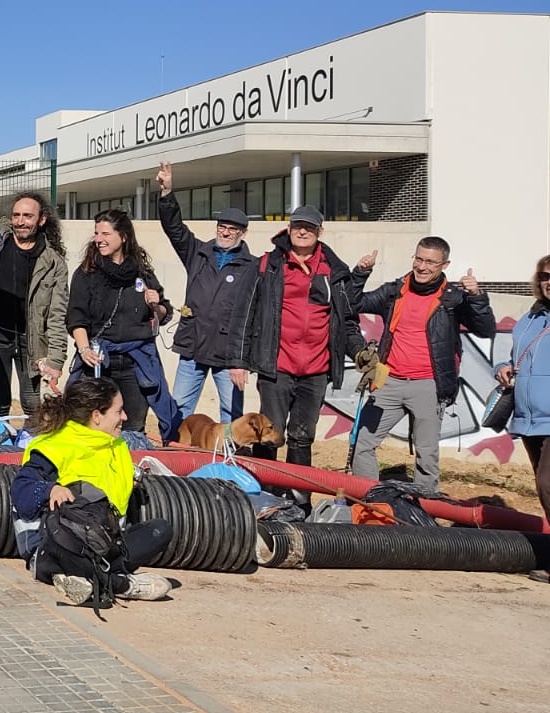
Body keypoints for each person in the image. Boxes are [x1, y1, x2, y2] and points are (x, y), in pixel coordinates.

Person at [231, 205, 373, 469]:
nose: (303, 231)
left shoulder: (334, 271)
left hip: (316, 371)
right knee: (267, 436)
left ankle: (299, 501)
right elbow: (244, 313)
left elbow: (346, 320)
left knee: (302, 437)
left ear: (320, 231)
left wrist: (360, 353)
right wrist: (238, 361)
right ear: (289, 228)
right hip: (276, 369)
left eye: (309, 227)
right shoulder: (267, 265)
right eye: (298, 226)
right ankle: (265, 496)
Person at [350, 238, 495, 494]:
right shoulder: (395, 291)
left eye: (430, 261)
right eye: (418, 259)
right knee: (362, 443)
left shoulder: (453, 298)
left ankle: (425, 513)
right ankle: (369, 502)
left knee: (426, 454)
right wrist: (361, 273)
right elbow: (354, 303)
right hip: (388, 382)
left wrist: (477, 297)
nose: (422, 266)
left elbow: (485, 329)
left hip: (429, 385)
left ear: (444, 264)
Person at [10, 377, 173, 604]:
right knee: (81, 516)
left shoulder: (116, 447)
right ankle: (119, 583)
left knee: (160, 530)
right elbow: (21, 490)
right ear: (97, 416)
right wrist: (50, 490)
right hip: (58, 542)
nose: (125, 417)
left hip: (102, 540)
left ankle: (86, 577)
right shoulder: (54, 447)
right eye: (119, 412)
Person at [154, 161, 259, 425]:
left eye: (232, 229)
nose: (225, 232)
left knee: (232, 417)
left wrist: (243, 359)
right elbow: (174, 229)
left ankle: (229, 460)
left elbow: (253, 316)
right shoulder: (197, 253)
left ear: (243, 233)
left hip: (228, 355)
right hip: (192, 346)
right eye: (222, 226)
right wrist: (167, 194)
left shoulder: (253, 267)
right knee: (178, 410)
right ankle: (174, 456)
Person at [66, 210, 178, 442]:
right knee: (91, 425)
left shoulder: (142, 272)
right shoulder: (86, 273)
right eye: (97, 233)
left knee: (132, 426)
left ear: (123, 237)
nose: (99, 239)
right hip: (98, 361)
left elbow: (164, 312)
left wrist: (156, 306)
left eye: (106, 233)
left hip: (136, 363)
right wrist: (84, 349)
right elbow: (76, 316)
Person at [0, 191, 70, 419]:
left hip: (32, 341)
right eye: (16, 215)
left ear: (41, 220)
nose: (20, 221)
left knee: (32, 403)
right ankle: (0, 449)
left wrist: (56, 359)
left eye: (27, 216)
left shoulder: (54, 263)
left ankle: (27, 447)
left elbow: (57, 315)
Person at [498, 255, 550, 520]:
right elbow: (517, 357)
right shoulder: (530, 318)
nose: (549, 282)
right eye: (545, 276)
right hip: (530, 420)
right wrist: (502, 367)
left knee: (547, 485)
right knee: (543, 491)